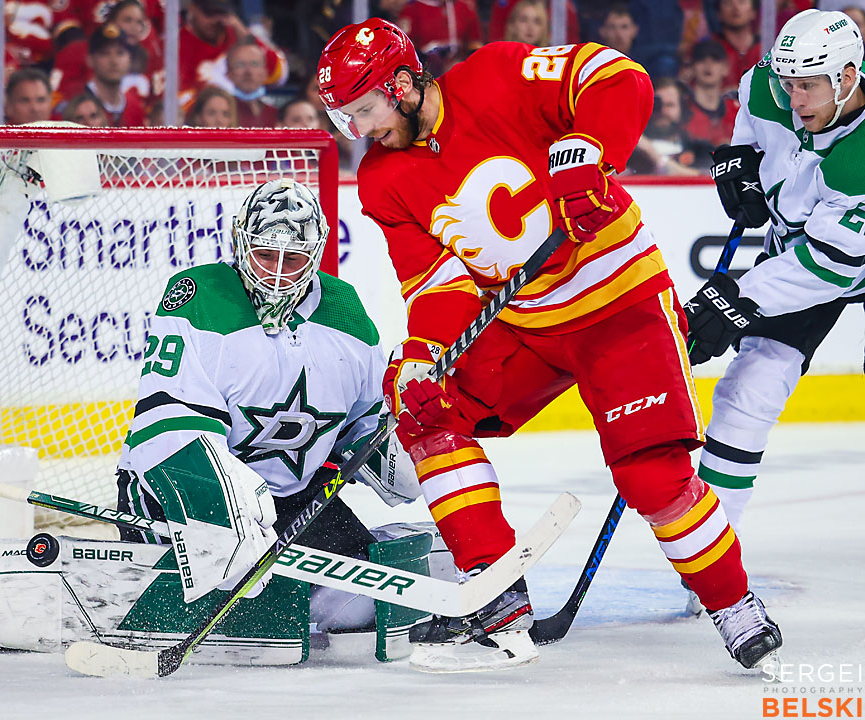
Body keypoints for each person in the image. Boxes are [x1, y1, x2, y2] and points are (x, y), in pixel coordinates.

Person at [317, 17, 782, 672]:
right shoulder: (383, 178)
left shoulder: (497, 74)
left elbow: (619, 78)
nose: (360, 129)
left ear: (402, 82)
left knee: (651, 477)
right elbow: (439, 280)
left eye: (363, 110)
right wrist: (425, 354)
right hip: (526, 324)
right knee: (425, 408)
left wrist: (590, 150)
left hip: (619, 303)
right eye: (346, 118)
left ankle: (733, 605)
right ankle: (495, 589)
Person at [114, 178, 419, 637]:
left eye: (293, 258)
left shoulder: (346, 313)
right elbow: (168, 425)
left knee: (359, 610)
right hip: (178, 490)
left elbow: (366, 420)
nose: (278, 273)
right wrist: (227, 512)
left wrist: (408, 444)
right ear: (241, 242)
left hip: (294, 502)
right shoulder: (200, 298)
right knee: (230, 601)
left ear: (315, 255)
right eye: (265, 255)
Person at [684, 10, 865, 557]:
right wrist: (740, 161)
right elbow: (754, 108)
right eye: (788, 84)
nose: (794, 99)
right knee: (747, 391)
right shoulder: (771, 86)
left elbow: (832, 264)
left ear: (849, 78)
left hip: (833, 254)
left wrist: (738, 298)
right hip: (799, 244)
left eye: (808, 87)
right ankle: (710, 558)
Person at [682, 39, 739, 152]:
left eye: (715, 59)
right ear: (692, 67)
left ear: (725, 68)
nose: (708, 65)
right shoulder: (682, 109)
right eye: (701, 60)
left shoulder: (737, 110)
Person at [226, 37, 277, 127]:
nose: (248, 72)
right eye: (240, 65)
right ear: (228, 74)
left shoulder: (277, 115)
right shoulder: (222, 113)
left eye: (254, 64)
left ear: (265, 73)